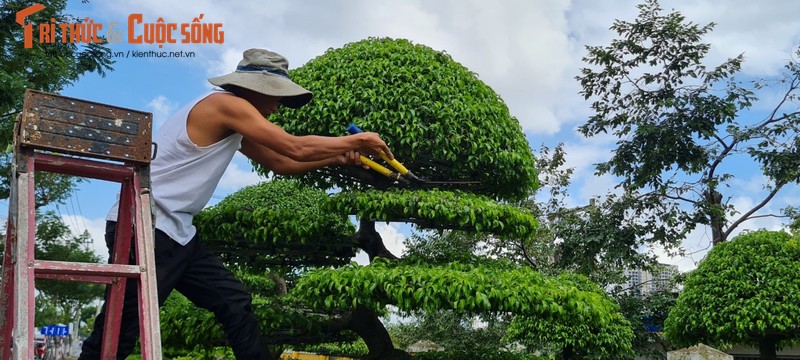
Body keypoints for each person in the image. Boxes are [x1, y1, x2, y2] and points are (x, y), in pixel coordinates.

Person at [78, 48, 394, 360]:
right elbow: (293, 147)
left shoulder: (233, 121)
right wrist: (359, 139)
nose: (278, 106)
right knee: (119, 331)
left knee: (233, 301)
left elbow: (281, 163)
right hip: (147, 227)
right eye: (276, 96)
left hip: (178, 232)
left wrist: (337, 157)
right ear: (254, 88)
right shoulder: (224, 105)